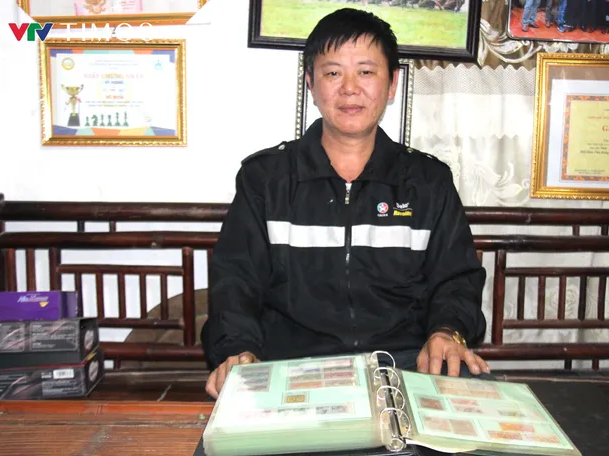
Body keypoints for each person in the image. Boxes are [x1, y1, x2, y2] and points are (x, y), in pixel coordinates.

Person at [201, 8, 489, 399]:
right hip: (292, 367)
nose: (350, 89)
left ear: (392, 84)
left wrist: (446, 332)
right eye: (333, 73)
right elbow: (236, 279)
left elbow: (456, 278)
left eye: (366, 71)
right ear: (311, 83)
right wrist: (238, 348)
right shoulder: (266, 179)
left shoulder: (427, 182)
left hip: (406, 364)